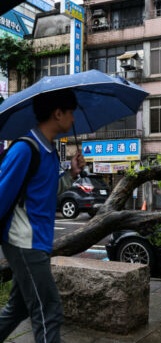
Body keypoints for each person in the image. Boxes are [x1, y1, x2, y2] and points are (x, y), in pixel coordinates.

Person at [0, 89, 85, 343]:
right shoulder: (25, 149)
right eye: (70, 113)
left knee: (19, 307)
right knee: (49, 311)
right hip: (24, 241)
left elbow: (45, 193)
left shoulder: (48, 152)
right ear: (57, 113)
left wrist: (71, 174)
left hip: (38, 240)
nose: (73, 120)